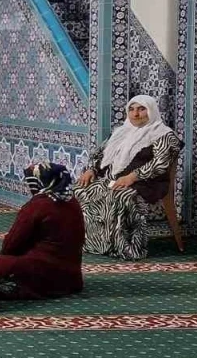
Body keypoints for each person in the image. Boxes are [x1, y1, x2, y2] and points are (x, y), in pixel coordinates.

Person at [75, 95, 182, 260]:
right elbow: (100, 153)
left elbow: (160, 164)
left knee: (120, 195)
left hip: (146, 182)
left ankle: (124, 247)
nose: (135, 114)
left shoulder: (165, 135)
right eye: (131, 109)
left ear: (151, 110)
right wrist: (91, 169)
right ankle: (91, 242)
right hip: (114, 179)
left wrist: (133, 176)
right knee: (79, 189)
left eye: (141, 109)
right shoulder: (120, 131)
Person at [0, 162, 86, 300]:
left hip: (44, 273)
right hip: (73, 277)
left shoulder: (37, 206)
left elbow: (10, 246)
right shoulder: (73, 202)